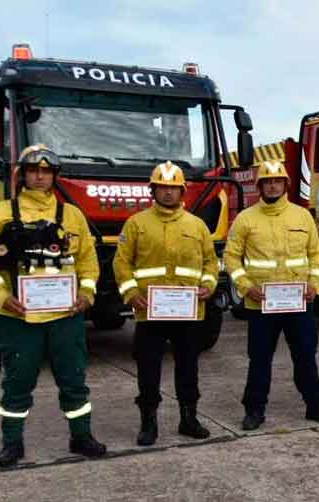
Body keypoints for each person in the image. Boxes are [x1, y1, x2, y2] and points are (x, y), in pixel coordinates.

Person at [0, 144, 106, 468]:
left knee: (73, 379)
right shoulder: (2, 213)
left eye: (46, 171)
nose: (40, 176)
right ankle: (12, 444)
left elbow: (88, 261)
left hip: (65, 316)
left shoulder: (71, 215)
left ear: (54, 176)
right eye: (34, 170)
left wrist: (87, 295)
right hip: (18, 316)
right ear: (23, 175)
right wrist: (2, 296)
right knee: (17, 382)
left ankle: (81, 437)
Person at [224, 159, 319, 429]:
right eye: (267, 181)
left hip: (299, 303)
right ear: (260, 185)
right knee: (260, 359)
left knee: (306, 357)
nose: (272, 185)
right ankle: (254, 410)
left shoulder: (302, 216)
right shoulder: (245, 219)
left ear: (285, 184)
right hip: (260, 305)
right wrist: (245, 286)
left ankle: (315, 405)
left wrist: (315, 285)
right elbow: (231, 257)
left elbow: (315, 254)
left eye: (277, 181)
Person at [113, 161, 218, 446]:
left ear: (182, 191)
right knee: (148, 369)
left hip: (189, 311)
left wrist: (209, 284)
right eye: (163, 188)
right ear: (153, 190)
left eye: (173, 188)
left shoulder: (197, 226)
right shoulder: (136, 224)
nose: (168, 193)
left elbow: (210, 261)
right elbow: (121, 262)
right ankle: (148, 422)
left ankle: (189, 418)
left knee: (188, 367)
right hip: (149, 311)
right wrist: (130, 292)